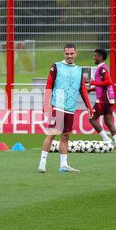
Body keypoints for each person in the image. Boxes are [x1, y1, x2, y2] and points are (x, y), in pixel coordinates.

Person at [38, 43, 93, 173]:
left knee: (66, 136)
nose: (69, 56)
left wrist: (89, 107)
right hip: (58, 106)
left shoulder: (79, 70)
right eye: (67, 53)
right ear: (64, 54)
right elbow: (48, 86)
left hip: (70, 109)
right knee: (52, 134)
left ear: (76, 53)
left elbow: (83, 90)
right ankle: (42, 162)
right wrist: (46, 104)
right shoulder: (56, 66)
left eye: (71, 53)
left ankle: (63, 164)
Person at [87, 48, 116, 149]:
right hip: (109, 97)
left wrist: (93, 83)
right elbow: (103, 85)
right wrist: (92, 89)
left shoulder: (102, 68)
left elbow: (108, 82)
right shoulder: (102, 68)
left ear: (100, 57)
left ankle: (106, 139)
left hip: (103, 98)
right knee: (108, 120)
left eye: (95, 56)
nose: (93, 57)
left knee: (92, 118)